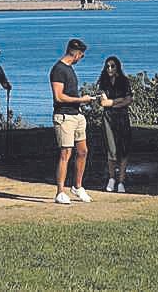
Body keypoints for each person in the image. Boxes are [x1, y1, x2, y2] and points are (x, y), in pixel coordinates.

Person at [49, 37, 96, 205]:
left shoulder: (69, 69)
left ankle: (77, 186)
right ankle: (60, 191)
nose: (81, 59)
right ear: (76, 54)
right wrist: (81, 100)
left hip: (77, 116)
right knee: (66, 153)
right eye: (81, 56)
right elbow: (59, 96)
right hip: (64, 117)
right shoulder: (58, 70)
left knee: (82, 151)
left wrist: (80, 103)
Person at [97, 55, 134, 192]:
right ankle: (112, 178)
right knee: (111, 150)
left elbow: (129, 100)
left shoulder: (124, 81)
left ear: (117, 67)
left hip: (122, 118)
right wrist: (119, 100)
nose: (110, 68)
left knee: (123, 150)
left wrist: (112, 102)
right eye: (107, 66)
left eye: (112, 66)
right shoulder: (103, 83)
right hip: (108, 119)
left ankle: (121, 181)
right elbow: (103, 102)